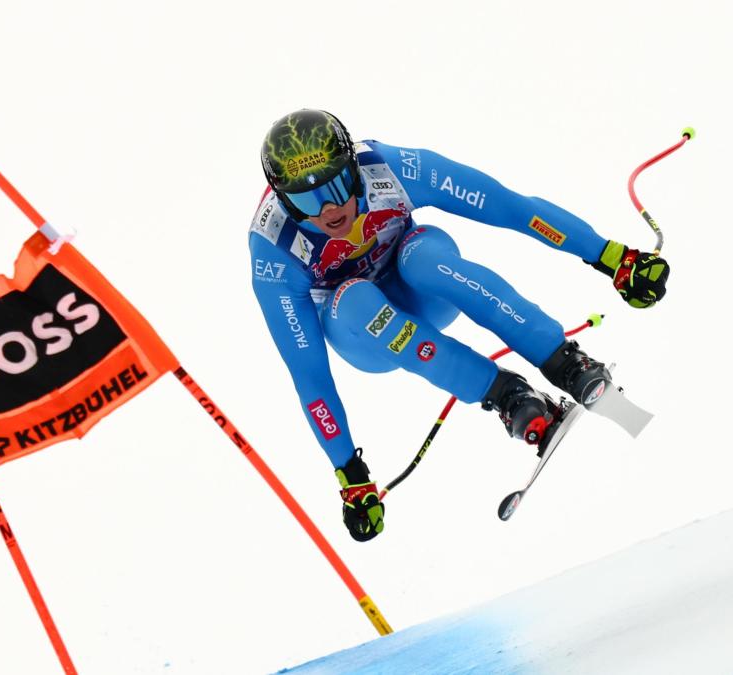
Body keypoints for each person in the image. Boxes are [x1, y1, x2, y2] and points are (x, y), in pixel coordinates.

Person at [248, 109, 669, 542]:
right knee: (356, 300)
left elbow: (513, 208)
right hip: (364, 333)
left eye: (336, 187)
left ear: (353, 167)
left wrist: (611, 257)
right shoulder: (274, 248)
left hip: (422, 286)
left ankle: (564, 361)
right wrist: (350, 475)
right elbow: (310, 375)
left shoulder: (387, 170)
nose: (329, 210)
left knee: (425, 259)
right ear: (283, 200)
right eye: (306, 200)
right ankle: (506, 395)